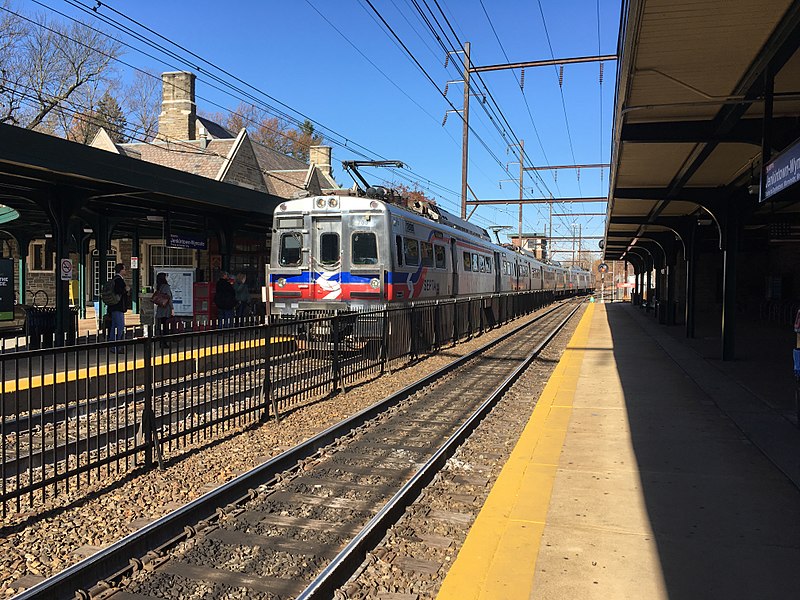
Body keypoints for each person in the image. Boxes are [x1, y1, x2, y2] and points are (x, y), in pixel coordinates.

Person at [107, 263, 129, 351]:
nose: (125, 271)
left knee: (114, 326)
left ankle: (112, 344)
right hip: (118, 306)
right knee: (120, 326)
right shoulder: (119, 280)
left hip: (113, 306)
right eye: (124, 269)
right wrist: (126, 289)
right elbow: (119, 291)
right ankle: (116, 345)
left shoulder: (113, 279)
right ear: (121, 270)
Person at [154, 272, 174, 348]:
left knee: (161, 326)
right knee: (165, 327)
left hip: (160, 308)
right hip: (166, 309)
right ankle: (164, 342)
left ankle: (161, 342)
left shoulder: (159, 286)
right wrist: (172, 309)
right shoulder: (166, 287)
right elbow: (169, 298)